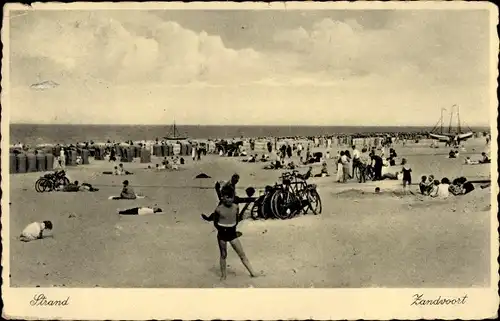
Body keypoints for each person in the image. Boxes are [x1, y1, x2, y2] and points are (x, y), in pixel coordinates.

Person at [201, 185, 259, 281]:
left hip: (232, 234)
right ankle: (223, 275)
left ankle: (252, 272)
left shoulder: (236, 207)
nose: (230, 200)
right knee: (223, 255)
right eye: (227, 197)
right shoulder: (218, 209)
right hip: (222, 235)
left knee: (242, 254)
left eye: (231, 197)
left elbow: (236, 219)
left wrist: (233, 228)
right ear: (222, 197)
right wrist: (221, 229)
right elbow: (215, 222)